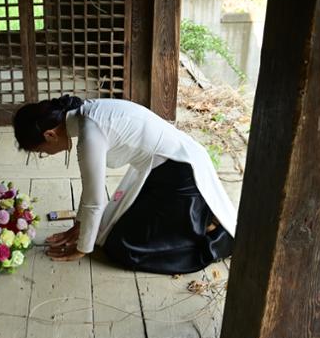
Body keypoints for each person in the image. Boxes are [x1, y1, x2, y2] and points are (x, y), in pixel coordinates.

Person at [12, 95, 236, 274]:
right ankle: (201, 215)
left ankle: (216, 236)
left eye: (41, 152)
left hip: (180, 174)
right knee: (107, 226)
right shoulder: (84, 113)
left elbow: (95, 199)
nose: (47, 155)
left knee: (123, 247)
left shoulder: (90, 132)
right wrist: (79, 226)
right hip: (164, 169)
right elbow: (91, 190)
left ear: (50, 135)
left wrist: (82, 248)